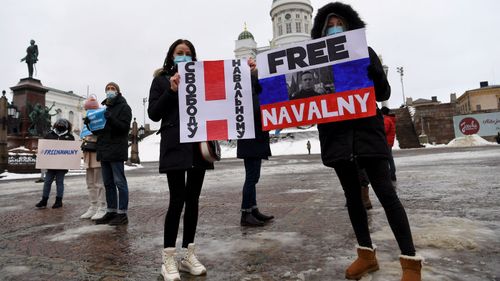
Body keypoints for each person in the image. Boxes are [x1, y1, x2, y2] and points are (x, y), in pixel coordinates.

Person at [311, 3, 422, 280]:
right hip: (336, 136)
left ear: (349, 27)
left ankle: (410, 263)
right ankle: (366, 255)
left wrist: (377, 74)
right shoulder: (317, 61)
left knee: (386, 195)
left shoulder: (365, 53)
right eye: (329, 24)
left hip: (365, 133)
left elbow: (383, 92)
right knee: (353, 199)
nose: (334, 28)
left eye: (339, 23)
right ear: (322, 31)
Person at [148, 39, 211, 281]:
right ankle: (168, 259)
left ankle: (188, 255)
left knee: (193, 199)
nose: (183, 56)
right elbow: (154, 113)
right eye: (179, 52)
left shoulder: (201, 79)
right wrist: (171, 90)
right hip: (175, 145)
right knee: (177, 200)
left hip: (198, 145)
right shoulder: (161, 80)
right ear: (171, 56)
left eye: (188, 53)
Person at [86, 82, 132, 226]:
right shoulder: (104, 109)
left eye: (113, 89)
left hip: (117, 150)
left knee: (120, 182)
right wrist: (89, 124)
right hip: (104, 150)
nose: (110, 91)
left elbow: (124, 128)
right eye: (108, 89)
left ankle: (122, 214)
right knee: (108, 184)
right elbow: (99, 131)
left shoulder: (124, 107)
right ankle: (111, 211)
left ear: (118, 92)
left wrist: (111, 118)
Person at [237, 57, 274, 227]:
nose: (253, 67)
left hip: (257, 135)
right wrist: (252, 75)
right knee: (251, 177)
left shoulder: (255, 85)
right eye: (249, 66)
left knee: (255, 176)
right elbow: (256, 106)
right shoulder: (245, 87)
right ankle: (246, 213)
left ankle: (253, 208)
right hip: (250, 136)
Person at [35, 119, 74, 209]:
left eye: (62, 124)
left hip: (62, 165)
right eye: (59, 123)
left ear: (66, 126)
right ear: (55, 125)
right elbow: (44, 147)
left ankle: (58, 201)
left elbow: (72, 151)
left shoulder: (70, 137)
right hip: (51, 164)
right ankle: (44, 200)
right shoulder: (49, 135)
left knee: (59, 182)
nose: (60, 125)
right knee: (47, 182)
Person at [80, 95, 106, 220]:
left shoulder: (100, 118)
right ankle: (93, 206)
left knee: (99, 183)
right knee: (90, 183)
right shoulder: (86, 120)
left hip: (97, 153)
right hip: (87, 154)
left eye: (90, 109)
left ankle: (102, 206)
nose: (88, 111)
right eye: (87, 109)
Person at [381, 106, 397, 183]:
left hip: (386, 142)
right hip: (389, 142)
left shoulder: (386, 120)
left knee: (388, 159)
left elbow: (384, 130)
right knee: (389, 158)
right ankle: (392, 175)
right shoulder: (390, 119)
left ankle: (391, 175)